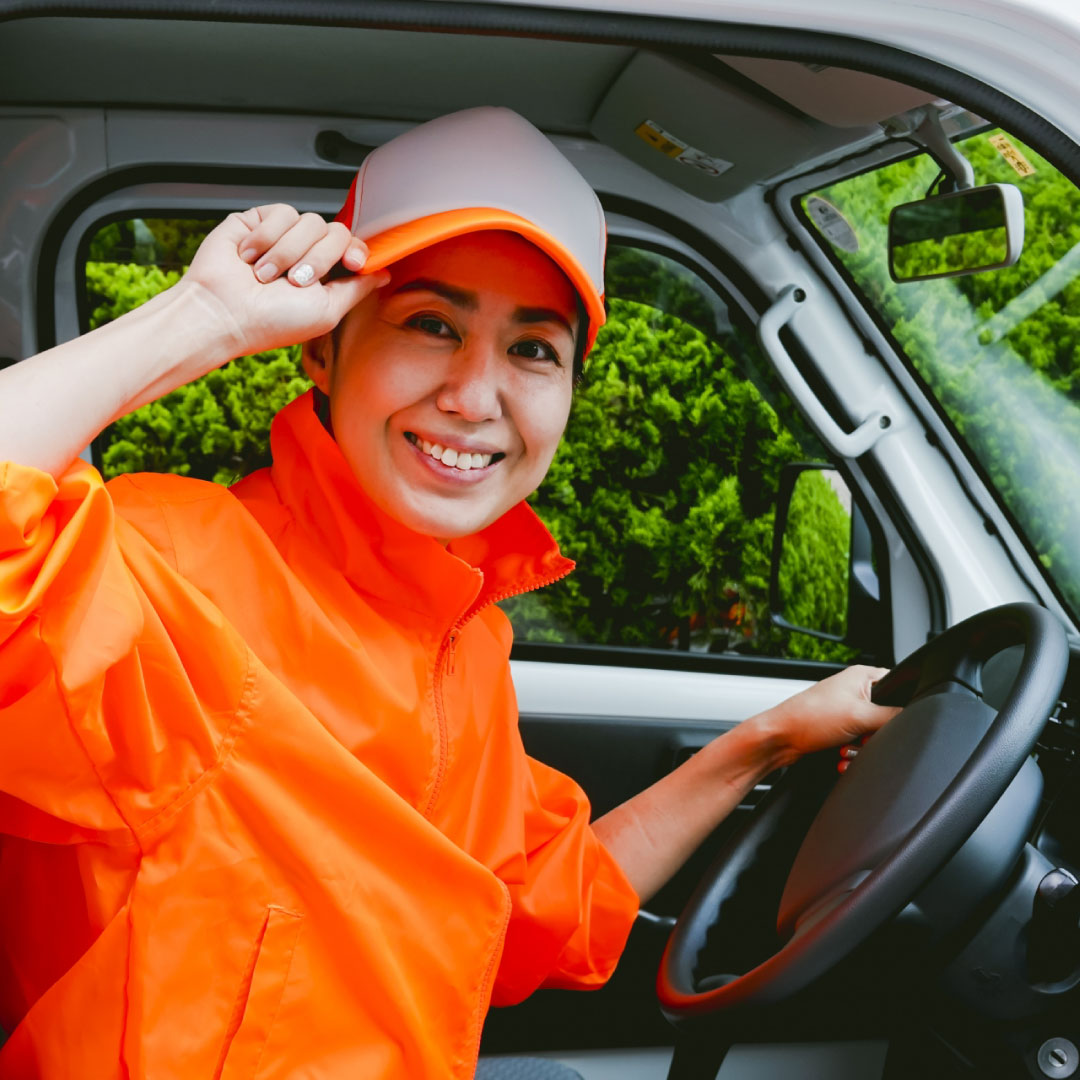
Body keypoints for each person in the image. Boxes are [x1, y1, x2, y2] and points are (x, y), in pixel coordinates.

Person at [0, 107, 896, 1078]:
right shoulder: (173, 559)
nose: (475, 396)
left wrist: (767, 738)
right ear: (320, 348)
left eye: (533, 350)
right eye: (431, 324)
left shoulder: (467, 642)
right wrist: (205, 319)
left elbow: (533, 908)